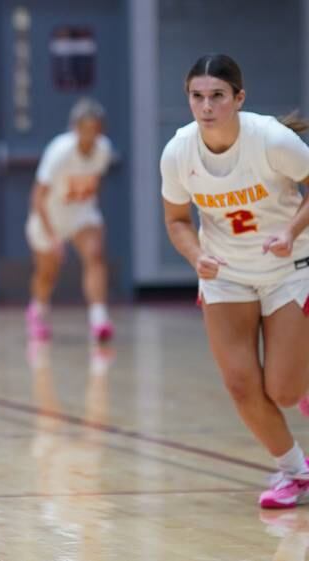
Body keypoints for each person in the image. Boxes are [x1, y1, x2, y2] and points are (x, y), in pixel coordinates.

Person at [161, 53, 309, 509]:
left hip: (286, 268)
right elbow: (176, 219)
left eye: (217, 96)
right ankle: (295, 473)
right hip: (226, 274)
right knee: (242, 385)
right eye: (197, 97)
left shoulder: (271, 140)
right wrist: (195, 255)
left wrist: (290, 230)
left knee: (283, 389)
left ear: (238, 98)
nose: (207, 106)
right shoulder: (178, 152)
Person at [25, 97, 115, 342]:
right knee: (47, 273)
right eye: (84, 129)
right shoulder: (59, 152)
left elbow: (95, 182)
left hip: (80, 214)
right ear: (75, 128)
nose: (89, 135)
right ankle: (38, 311)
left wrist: (91, 213)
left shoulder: (104, 150)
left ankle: (99, 319)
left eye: (94, 129)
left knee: (95, 254)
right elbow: (38, 197)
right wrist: (53, 236)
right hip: (49, 215)